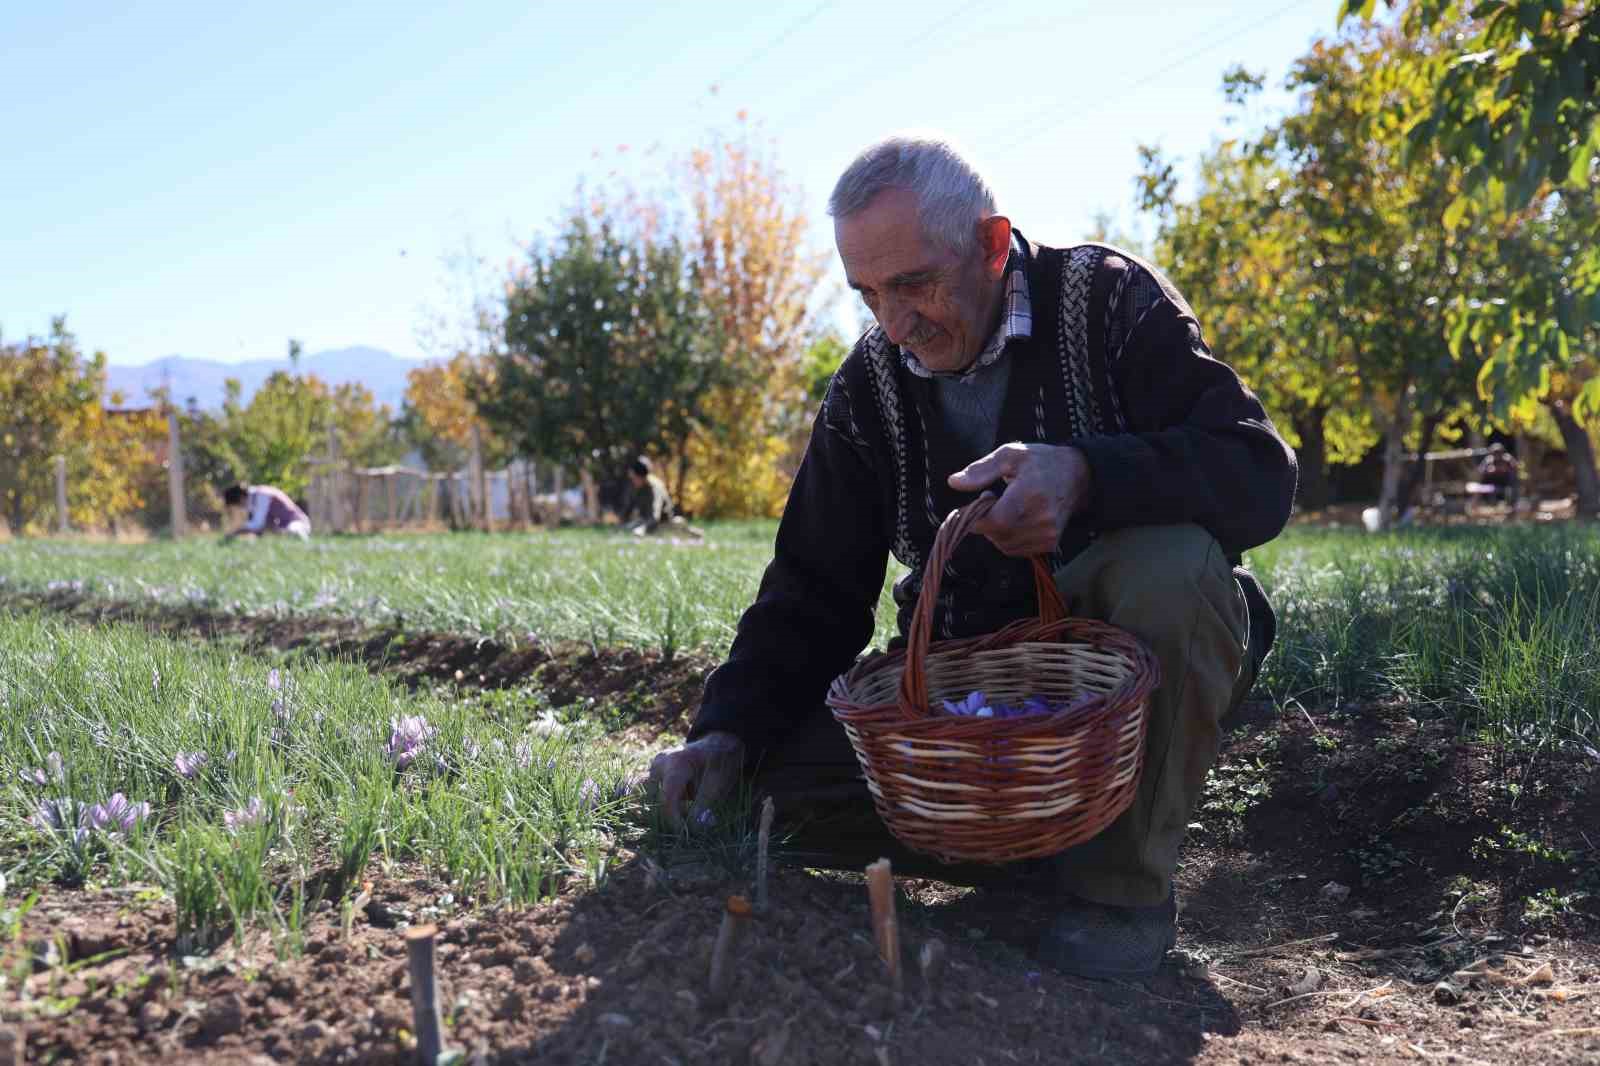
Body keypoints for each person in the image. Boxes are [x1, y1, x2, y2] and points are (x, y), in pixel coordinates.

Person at [647, 134, 1297, 980]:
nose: (895, 324)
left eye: (914, 283)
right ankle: (1026, 842)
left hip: (1118, 681)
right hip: (972, 706)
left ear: (992, 246)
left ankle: (1116, 889)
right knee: (759, 792)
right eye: (868, 295)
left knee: (1171, 567)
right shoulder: (870, 385)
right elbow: (814, 587)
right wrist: (727, 732)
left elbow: (1257, 472)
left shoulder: (1107, 301)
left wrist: (1086, 475)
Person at [222, 483, 312, 541]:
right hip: (282, 529)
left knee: (293, 533)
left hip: (297, 523)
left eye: (238, 506)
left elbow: (257, 524)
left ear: (241, 499)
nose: (242, 508)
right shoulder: (254, 500)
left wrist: (235, 532)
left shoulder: (262, 494)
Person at [621, 457, 675, 535]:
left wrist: (642, 529)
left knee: (635, 531)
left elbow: (655, 517)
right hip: (644, 520)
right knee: (625, 529)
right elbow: (629, 507)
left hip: (662, 522)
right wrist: (622, 521)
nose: (632, 480)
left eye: (634, 478)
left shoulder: (655, 487)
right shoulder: (636, 486)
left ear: (642, 476)